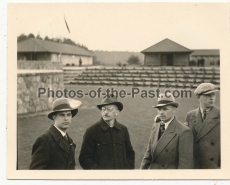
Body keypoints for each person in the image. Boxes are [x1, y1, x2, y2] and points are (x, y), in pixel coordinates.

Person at [79, 94, 135, 169]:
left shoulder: (123, 130)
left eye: (109, 109)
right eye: (103, 109)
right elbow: (84, 158)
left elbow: (130, 153)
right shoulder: (91, 131)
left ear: (117, 112)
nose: (105, 112)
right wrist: (99, 174)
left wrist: (128, 169)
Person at [140, 93, 194, 169]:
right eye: (159, 109)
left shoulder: (184, 131)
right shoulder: (155, 126)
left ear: (174, 110)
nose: (161, 112)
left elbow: (185, 164)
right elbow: (148, 154)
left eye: (165, 109)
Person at [29, 98, 81, 170]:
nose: (66, 118)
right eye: (62, 115)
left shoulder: (70, 141)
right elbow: (35, 173)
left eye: (68, 115)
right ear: (54, 117)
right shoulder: (44, 140)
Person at [185, 83, 220, 169]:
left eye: (213, 94)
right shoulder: (190, 115)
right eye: (207, 95)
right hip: (195, 164)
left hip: (213, 166)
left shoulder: (223, 115)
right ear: (198, 97)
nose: (212, 98)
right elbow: (182, 135)